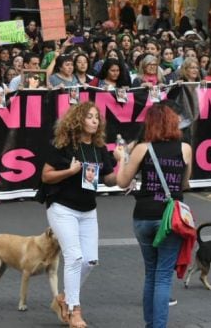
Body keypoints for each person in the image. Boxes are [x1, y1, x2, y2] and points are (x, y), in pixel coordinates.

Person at [41, 102, 119, 328]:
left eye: (97, 117)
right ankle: (74, 310)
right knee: (74, 257)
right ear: (78, 120)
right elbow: (46, 176)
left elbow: (109, 179)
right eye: (90, 117)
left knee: (90, 260)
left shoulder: (99, 148)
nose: (95, 121)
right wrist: (70, 171)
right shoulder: (63, 145)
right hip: (62, 208)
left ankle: (64, 297)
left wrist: (122, 162)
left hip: (88, 210)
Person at [117, 103, 192, 328]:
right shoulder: (185, 149)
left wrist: (122, 157)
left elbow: (122, 182)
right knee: (163, 277)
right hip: (170, 219)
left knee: (151, 272)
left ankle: (150, 323)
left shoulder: (142, 148)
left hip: (143, 216)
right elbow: (185, 184)